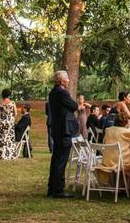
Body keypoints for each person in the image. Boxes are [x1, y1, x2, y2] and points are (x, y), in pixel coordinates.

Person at [47, 70, 79, 198]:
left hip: (57, 129)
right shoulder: (62, 92)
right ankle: (58, 189)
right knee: (61, 160)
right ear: (61, 80)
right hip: (64, 130)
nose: (69, 80)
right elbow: (74, 106)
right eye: (67, 78)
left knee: (56, 160)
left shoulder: (53, 92)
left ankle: (52, 188)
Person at [97, 110, 130, 186]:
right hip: (121, 163)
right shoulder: (126, 132)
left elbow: (104, 142)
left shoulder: (108, 130)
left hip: (107, 162)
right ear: (126, 121)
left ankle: (116, 183)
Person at [0, 88, 17, 160]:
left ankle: (1, 155)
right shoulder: (12, 103)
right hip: (10, 123)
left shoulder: (0, 104)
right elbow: (15, 113)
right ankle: (10, 155)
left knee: (2, 139)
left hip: (2, 123)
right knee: (10, 139)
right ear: (9, 95)